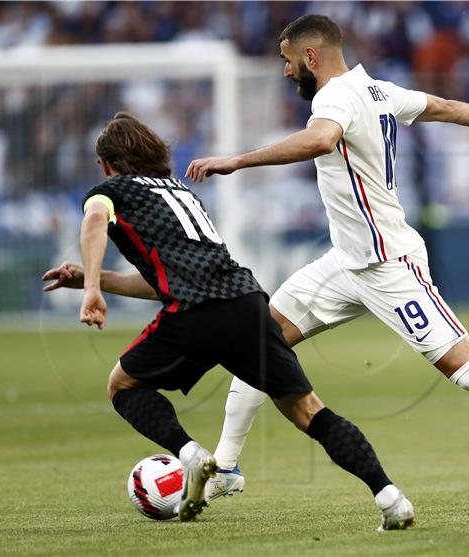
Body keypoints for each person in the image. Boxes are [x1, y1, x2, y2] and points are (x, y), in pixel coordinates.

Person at [185, 14, 469, 503]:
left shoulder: (333, 97)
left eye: (287, 60)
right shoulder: (377, 90)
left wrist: (236, 160)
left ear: (310, 58)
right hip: (346, 262)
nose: (284, 71)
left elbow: (321, 139)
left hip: (388, 265)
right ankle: (227, 468)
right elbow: (445, 107)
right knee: (260, 342)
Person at [41, 112, 415, 530]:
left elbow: (94, 220)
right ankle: (391, 498)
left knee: (123, 385)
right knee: (309, 411)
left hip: (196, 312)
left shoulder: (108, 192)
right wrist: (95, 280)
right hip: (247, 301)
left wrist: (92, 287)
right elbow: (157, 282)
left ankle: (191, 455)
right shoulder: (180, 192)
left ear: (106, 164)